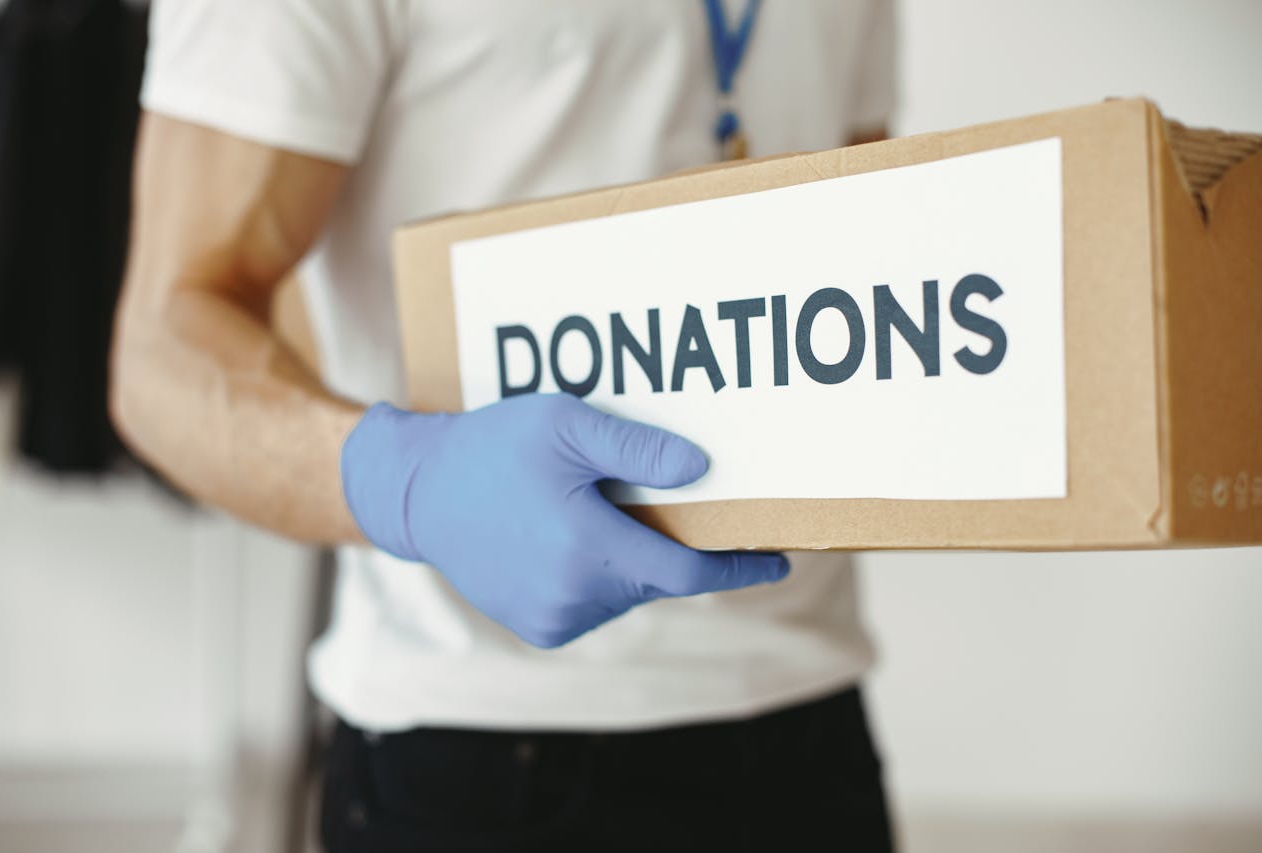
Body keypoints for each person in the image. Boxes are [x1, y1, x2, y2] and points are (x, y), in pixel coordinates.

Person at [111, 1, 899, 850]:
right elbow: (161, 354)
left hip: (808, 714)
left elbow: (854, 210)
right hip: (476, 746)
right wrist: (414, 482)